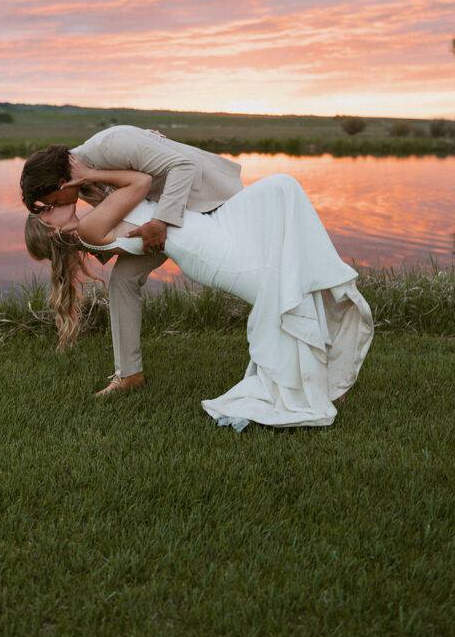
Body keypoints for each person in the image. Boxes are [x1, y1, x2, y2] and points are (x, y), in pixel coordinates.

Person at [25, 158, 374, 429]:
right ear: (53, 230)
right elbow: (140, 182)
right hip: (208, 252)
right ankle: (319, 386)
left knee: (284, 194)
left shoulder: (95, 221)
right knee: (286, 291)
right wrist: (86, 175)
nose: (51, 206)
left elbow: (138, 215)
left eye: (46, 205)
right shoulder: (89, 228)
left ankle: (325, 379)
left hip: (209, 232)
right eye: (45, 212)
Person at [20, 126, 243, 394]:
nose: (53, 208)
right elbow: (116, 228)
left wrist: (160, 222)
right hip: (160, 219)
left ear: (60, 183)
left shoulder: (113, 144)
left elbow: (183, 167)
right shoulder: (83, 188)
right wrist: (78, 238)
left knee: (237, 273)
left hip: (209, 198)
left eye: (51, 202)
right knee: (122, 280)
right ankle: (129, 375)